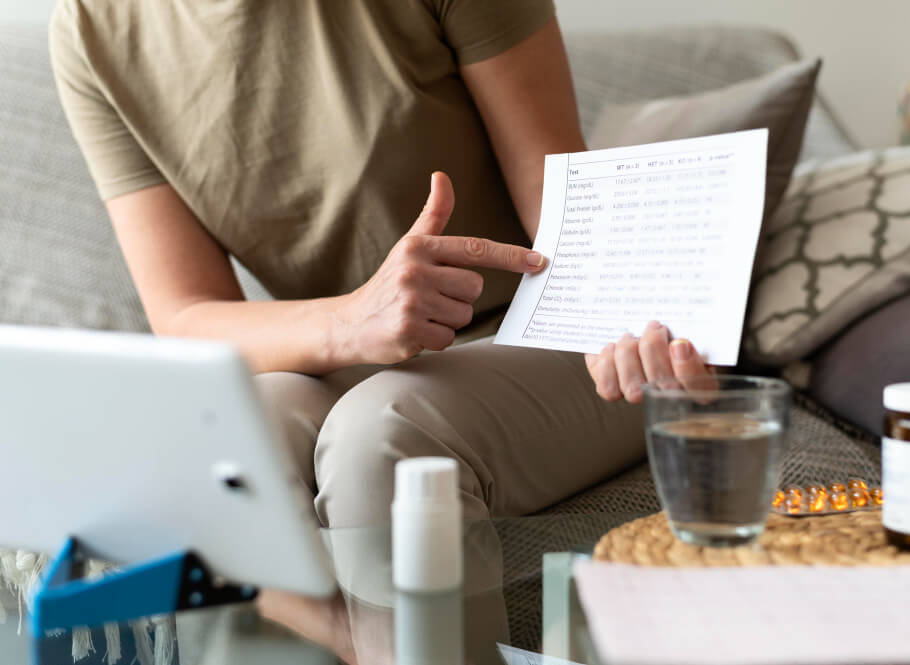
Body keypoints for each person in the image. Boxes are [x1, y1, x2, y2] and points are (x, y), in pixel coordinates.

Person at [50, 0, 714, 658]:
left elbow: (561, 198)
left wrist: (633, 319)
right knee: (227, 438)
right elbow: (187, 315)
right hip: (348, 356)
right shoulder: (90, 30)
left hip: (542, 331)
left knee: (386, 432)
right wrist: (352, 321)